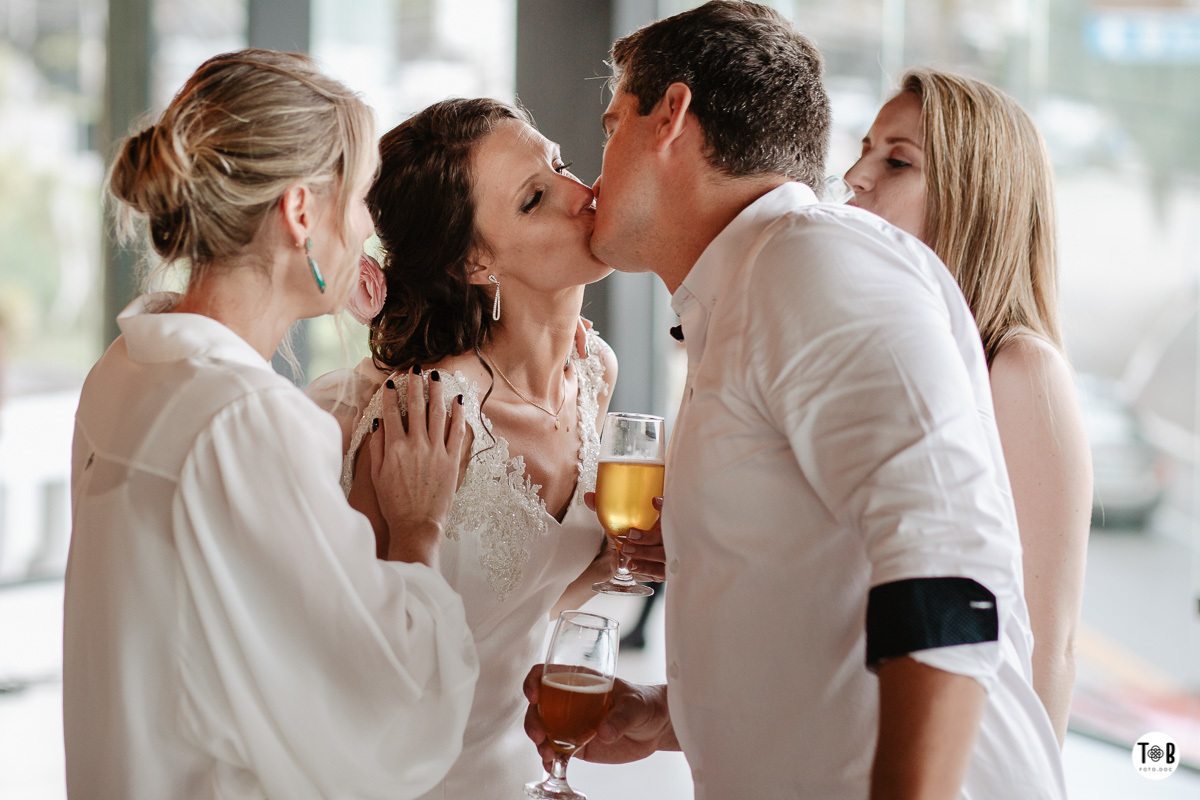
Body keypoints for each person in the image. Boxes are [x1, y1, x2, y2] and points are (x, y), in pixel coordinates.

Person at [522, 3, 1066, 798]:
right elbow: (814, 600)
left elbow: (949, 565)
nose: (595, 175)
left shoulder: (813, 265)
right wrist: (674, 716)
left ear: (670, 117)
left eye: (610, 126)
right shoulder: (748, 292)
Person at [65, 50, 478, 800]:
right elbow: (383, 693)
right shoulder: (245, 420)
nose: (366, 233)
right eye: (359, 202)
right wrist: (419, 526)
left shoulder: (123, 372)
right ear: (300, 213)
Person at [305, 97, 665, 800]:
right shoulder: (424, 415)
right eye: (535, 199)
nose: (578, 194)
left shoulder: (594, 372)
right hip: (407, 780)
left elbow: (532, 598)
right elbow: (359, 659)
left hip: (523, 770)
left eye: (559, 164)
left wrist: (623, 559)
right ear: (475, 262)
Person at [844, 68, 1092, 745]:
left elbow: (1048, 646)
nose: (854, 175)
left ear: (972, 198)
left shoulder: (1020, 368)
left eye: (896, 160)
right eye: (865, 148)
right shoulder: (881, 349)